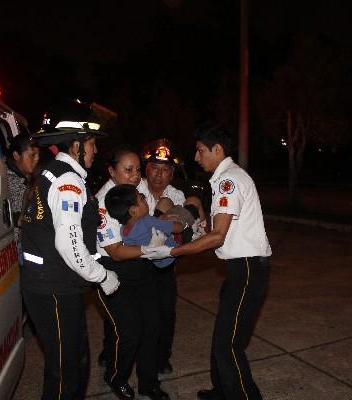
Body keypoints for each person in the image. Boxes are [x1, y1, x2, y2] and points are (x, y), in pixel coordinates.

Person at [146, 126, 272, 400]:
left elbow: (217, 236)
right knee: (220, 339)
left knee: (229, 346)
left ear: (218, 150)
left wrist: (174, 253)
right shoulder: (223, 179)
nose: (196, 156)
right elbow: (214, 229)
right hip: (240, 267)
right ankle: (223, 390)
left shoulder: (229, 181)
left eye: (200, 150)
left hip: (247, 268)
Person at [19, 126, 120, 400]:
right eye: (91, 144)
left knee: (73, 360)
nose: (95, 150)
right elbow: (70, 245)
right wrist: (101, 275)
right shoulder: (68, 182)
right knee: (66, 371)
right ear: (76, 145)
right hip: (55, 287)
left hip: (48, 284)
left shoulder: (50, 172)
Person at [95, 148, 171, 400]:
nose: (136, 175)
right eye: (128, 170)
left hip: (141, 267)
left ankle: (149, 383)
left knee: (152, 327)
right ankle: (117, 377)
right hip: (115, 271)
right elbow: (116, 252)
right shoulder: (104, 203)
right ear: (111, 171)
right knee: (130, 331)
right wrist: (151, 248)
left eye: (138, 169)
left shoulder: (135, 193)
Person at [139, 140, 205, 376]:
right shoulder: (134, 190)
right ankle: (112, 352)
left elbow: (182, 221)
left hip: (165, 261)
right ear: (146, 169)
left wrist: (186, 225)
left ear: (172, 173)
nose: (159, 174)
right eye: (154, 168)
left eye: (165, 170)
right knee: (133, 314)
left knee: (167, 312)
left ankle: (162, 358)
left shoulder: (176, 195)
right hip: (136, 260)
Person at [5, 134, 39, 251]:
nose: (37, 159)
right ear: (16, 155)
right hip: (17, 247)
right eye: (32, 155)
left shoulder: (26, 178)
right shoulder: (12, 182)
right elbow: (21, 219)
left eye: (38, 155)